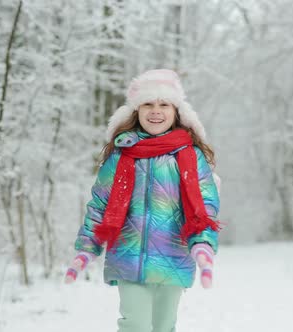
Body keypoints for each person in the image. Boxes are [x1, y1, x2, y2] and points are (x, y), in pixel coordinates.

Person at [64, 69, 221, 332]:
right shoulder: (121, 155)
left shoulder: (190, 157)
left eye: (164, 104)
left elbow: (204, 206)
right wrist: (86, 248)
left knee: (163, 326)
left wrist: (203, 246)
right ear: (136, 111)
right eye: (147, 103)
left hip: (173, 255)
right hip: (128, 256)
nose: (155, 110)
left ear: (177, 112)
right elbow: (100, 205)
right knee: (135, 325)